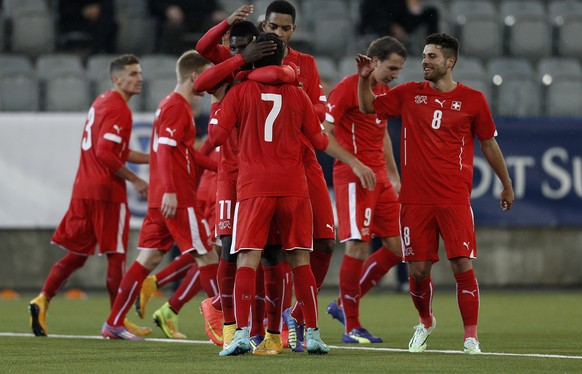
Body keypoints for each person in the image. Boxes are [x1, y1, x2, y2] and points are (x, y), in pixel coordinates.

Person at [357, 33, 515, 354]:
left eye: (431, 57)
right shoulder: (409, 94)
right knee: (418, 270)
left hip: (454, 198)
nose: (424, 62)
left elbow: (488, 142)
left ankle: (471, 336)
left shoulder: (473, 100)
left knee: (461, 264)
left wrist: (506, 184)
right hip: (415, 200)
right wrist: (364, 80)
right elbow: (367, 106)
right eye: (424, 56)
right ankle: (426, 321)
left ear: (449, 61)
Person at [208, 32, 330, 356]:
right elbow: (320, 143)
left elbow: (217, 136)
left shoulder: (239, 91)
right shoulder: (298, 93)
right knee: (299, 259)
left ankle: (240, 336)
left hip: (254, 187)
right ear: (282, 60)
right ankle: (314, 335)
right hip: (294, 187)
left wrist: (220, 108)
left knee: (248, 257)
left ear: (252, 55)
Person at [101, 50, 220, 340]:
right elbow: (165, 151)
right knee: (208, 257)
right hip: (176, 196)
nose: (211, 81)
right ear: (195, 76)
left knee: (148, 260)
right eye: (207, 75)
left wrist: (221, 166)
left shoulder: (170, 105)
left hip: (162, 197)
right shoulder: (177, 107)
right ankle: (227, 325)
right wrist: (169, 190)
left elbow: (185, 151)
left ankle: (114, 322)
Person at [28, 54, 150, 337]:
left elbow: (114, 150)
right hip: (107, 192)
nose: (139, 78)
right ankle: (115, 320)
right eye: (132, 73)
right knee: (116, 255)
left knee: (78, 254)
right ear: (116, 79)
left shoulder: (101, 102)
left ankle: (42, 299)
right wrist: (134, 179)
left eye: (140, 73)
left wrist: (152, 158)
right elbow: (105, 153)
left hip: (84, 188)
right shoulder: (119, 108)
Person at [260, 0, 338, 353]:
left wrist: (304, 105)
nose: (278, 33)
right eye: (273, 27)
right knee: (270, 253)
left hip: (305, 161)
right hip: (263, 166)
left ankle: (296, 314)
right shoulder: (248, 60)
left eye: (285, 28)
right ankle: (265, 328)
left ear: (294, 30)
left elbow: (321, 108)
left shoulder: (306, 63)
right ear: (264, 26)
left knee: (325, 241)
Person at [322, 36, 407, 344]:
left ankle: (343, 305)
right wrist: (355, 164)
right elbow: (324, 136)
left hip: (380, 178)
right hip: (353, 176)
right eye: (392, 68)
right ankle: (351, 326)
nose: (395, 75)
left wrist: (394, 174)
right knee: (358, 246)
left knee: (399, 247)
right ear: (374, 62)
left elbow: (380, 130)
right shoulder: (346, 88)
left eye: (399, 70)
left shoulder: (383, 91)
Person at [147, 0, 227, 55]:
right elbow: (153, 5)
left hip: (201, 18)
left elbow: (212, 4)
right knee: (174, 27)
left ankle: (215, 58)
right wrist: (167, 9)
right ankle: (175, 60)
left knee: (219, 25)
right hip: (176, 20)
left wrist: (217, 11)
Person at [359, 0, 439, 47]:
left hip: (401, 21)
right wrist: (391, 26)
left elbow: (408, 7)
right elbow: (372, 15)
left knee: (431, 12)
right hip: (379, 25)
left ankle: (434, 45)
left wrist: (414, 7)